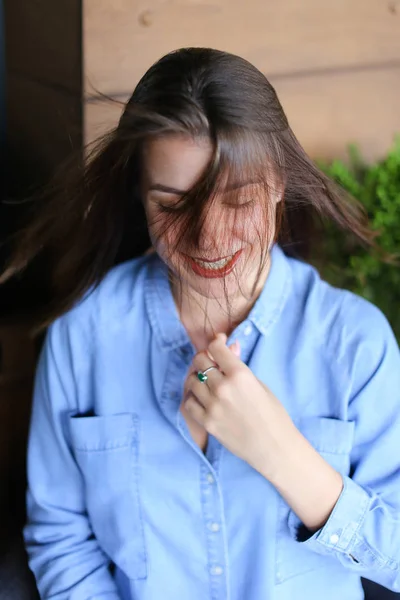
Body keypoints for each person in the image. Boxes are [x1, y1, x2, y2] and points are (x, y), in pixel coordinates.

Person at [2, 47, 400, 600]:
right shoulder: (82, 338)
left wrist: (283, 454)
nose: (208, 240)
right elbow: (62, 539)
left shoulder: (358, 343)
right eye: (172, 204)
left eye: (238, 199)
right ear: (139, 196)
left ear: (280, 183)